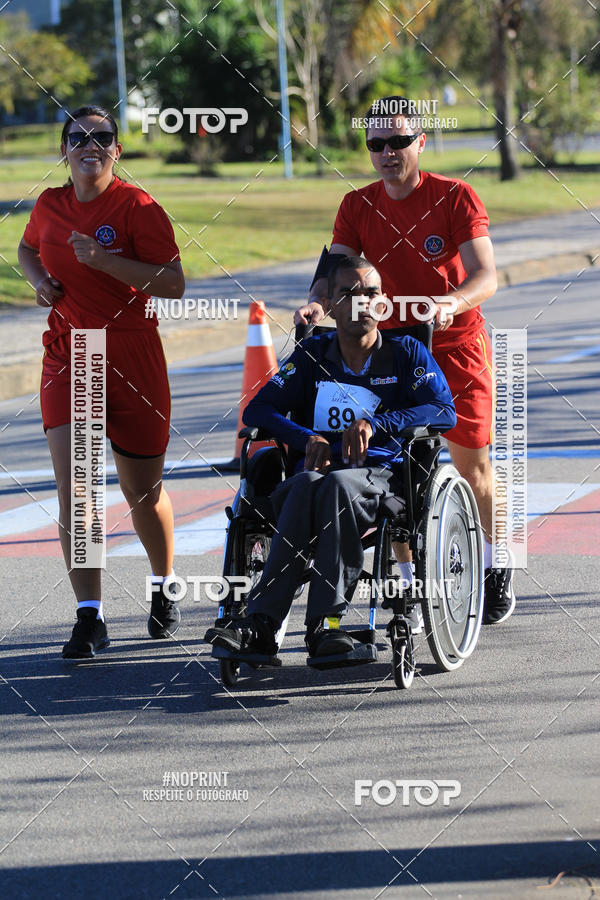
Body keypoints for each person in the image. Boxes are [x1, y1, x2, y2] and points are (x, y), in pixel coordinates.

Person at [295, 95, 515, 626]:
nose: (387, 152)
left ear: (420, 141)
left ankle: (494, 564)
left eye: (397, 141)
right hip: (387, 355)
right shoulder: (357, 205)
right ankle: (411, 584)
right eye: (376, 144)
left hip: (454, 348)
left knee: (475, 466)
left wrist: (451, 302)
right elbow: (334, 272)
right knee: (399, 474)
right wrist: (317, 303)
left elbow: (487, 274)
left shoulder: (455, 196)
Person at [206, 257, 456, 661]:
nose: (361, 302)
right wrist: (308, 439)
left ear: (384, 302)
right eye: (349, 294)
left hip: (380, 478)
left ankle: (328, 623)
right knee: (304, 484)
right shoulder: (312, 354)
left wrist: (375, 423)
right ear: (332, 305)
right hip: (317, 476)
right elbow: (259, 410)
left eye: (371, 293)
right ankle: (262, 625)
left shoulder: (405, 352)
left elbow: (443, 411)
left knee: (336, 486)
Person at [18, 105, 186, 659]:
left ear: (118, 149)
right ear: (63, 150)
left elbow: (174, 283)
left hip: (133, 353)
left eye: (102, 137)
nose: (90, 144)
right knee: (80, 491)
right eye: (78, 137)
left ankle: (163, 588)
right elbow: (24, 248)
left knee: (143, 491)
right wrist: (41, 279)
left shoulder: (137, 207)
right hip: (73, 354)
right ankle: (89, 616)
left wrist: (108, 262)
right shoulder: (49, 206)